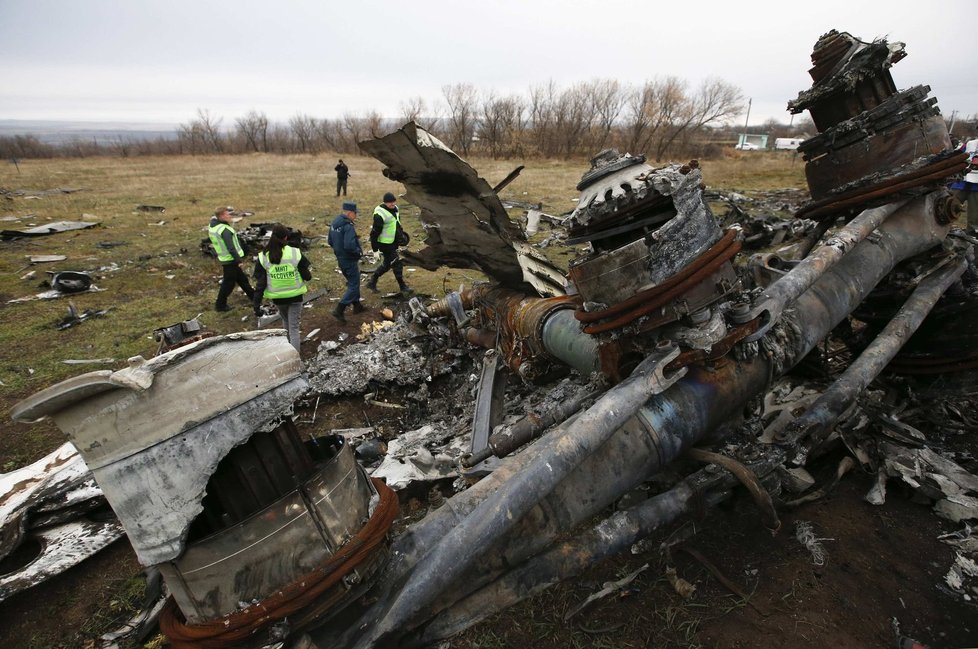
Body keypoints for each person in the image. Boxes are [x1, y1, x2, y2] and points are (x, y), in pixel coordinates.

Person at [253, 224, 311, 352]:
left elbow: (260, 284)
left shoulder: (263, 256)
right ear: (286, 237)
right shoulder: (294, 252)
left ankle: (288, 349)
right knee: (294, 328)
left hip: (278, 298)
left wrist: (256, 305)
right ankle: (295, 358)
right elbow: (307, 275)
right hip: (295, 296)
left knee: (286, 322)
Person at [208, 205, 255, 312]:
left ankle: (254, 297)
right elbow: (231, 247)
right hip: (231, 260)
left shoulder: (214, 226)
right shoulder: (224, 229)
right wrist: (238, 260)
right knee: (228, 284)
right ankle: (220, 305)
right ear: (222, 216)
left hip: (226, 258)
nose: (230, 216)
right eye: (228, 214)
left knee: (242, 279)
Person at [367, 191, 412, 295]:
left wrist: (402, 236)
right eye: (389, 202)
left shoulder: (396, 209)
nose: (392, 204)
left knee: (387, 264)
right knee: (397, 263)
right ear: (384, 203)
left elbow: (397, 223)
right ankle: (403, 286)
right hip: (384, 243)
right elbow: (374, 233)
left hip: (393, 242)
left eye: (393, 202)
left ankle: (372, 281)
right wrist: (375, 250)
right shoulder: (379, 214)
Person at [327, 201, 366, 322]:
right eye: (355, 213)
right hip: (349, 259)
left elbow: (330, 241)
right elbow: (349, 245)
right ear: (349, 213)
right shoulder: (347, 226)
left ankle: (357, 305)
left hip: (341, 259)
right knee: (354, 285)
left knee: (352, 282)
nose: (356, 216)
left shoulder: (335, 223)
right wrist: (357, 252)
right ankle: (339, 309)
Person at [951, 135, 978, 229]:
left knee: (975, 216)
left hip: (977, 187)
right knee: (946, 204)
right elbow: (956, 155)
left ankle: (972, 235)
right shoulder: (970, 144)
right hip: (961, 182)